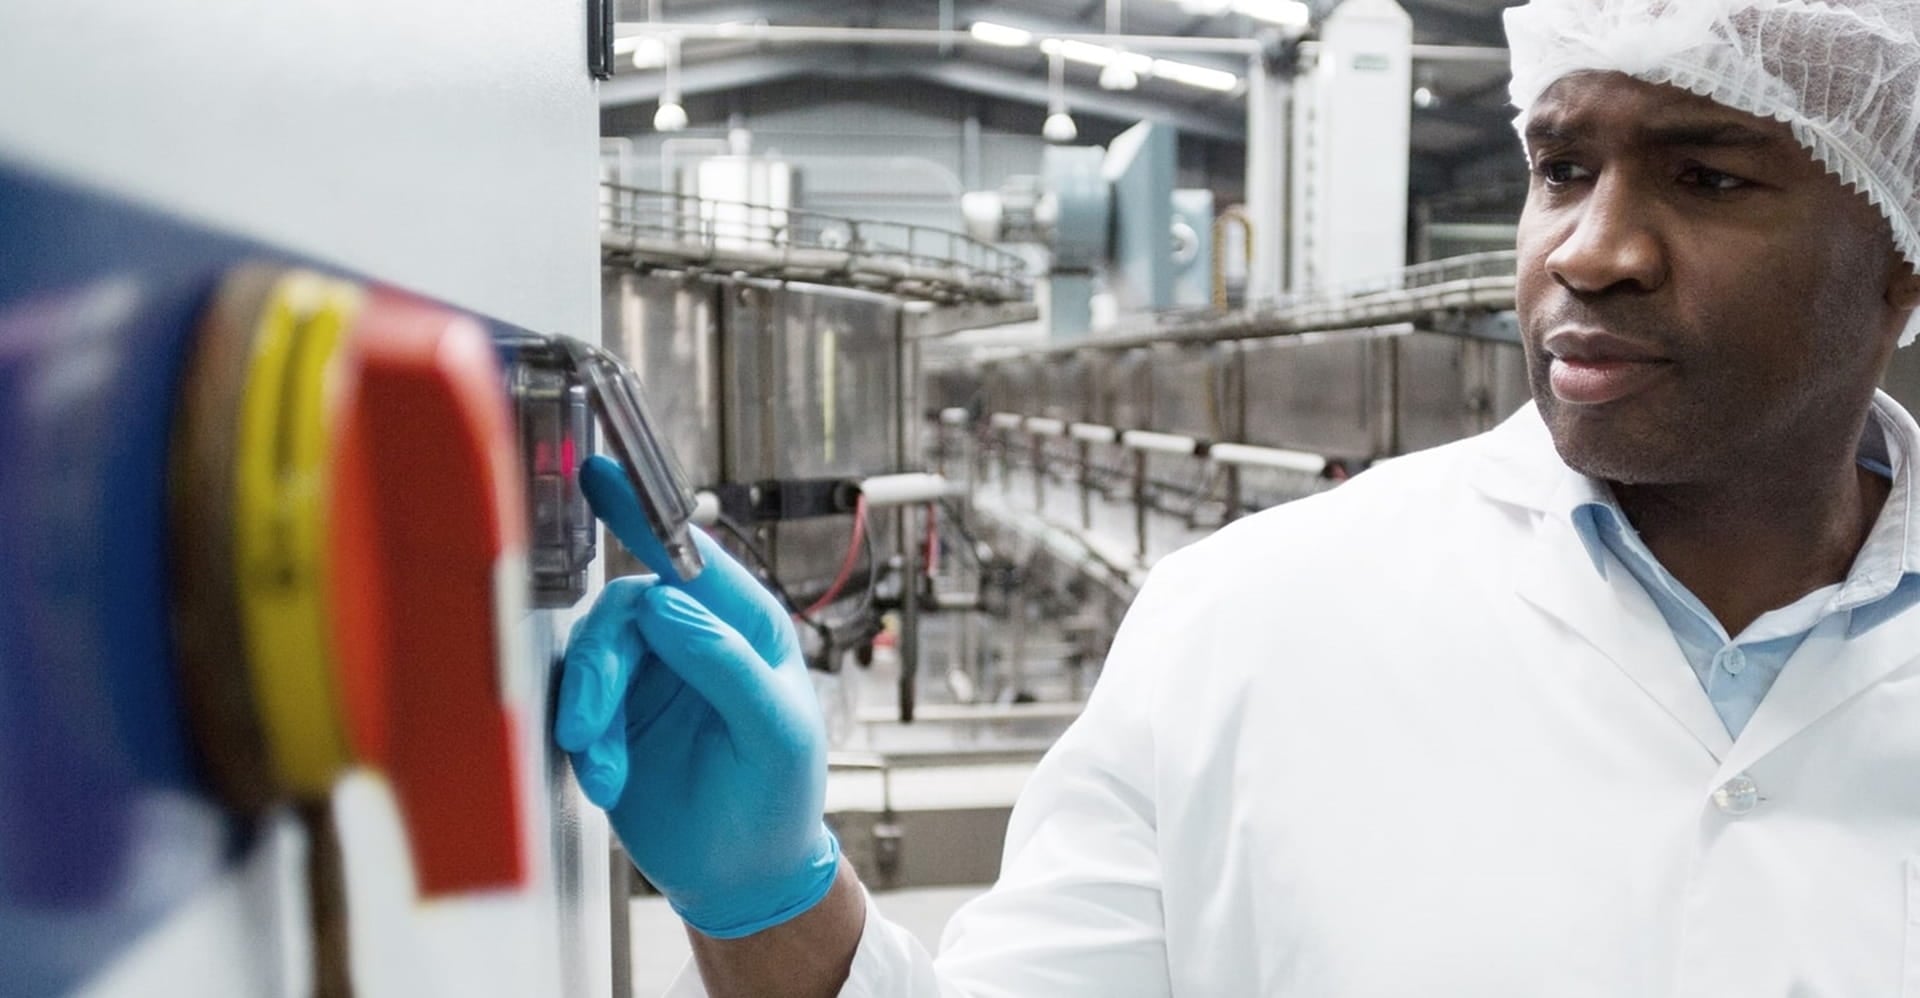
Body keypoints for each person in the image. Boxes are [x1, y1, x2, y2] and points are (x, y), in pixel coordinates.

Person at [554, 0, 1920, 993]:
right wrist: (770, 906)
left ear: (1899, 261)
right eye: (1561, 169)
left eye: (1709, 176)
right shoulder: (1247, 620)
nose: (1593, 247)